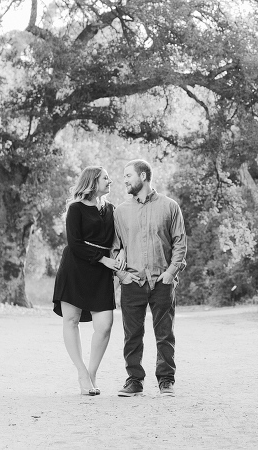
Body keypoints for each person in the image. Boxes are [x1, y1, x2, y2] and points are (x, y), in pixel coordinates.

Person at [113, 159, 186, 397]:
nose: (124, 180)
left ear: (143, 176)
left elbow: (179, 243)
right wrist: (122, 275)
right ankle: (134, 380)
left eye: (128, 175)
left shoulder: (170, 206)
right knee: (131, 335)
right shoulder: (121, 212)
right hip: (132, 281)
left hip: (162, 281)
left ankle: (166, 380)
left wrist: (170, 273)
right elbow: (115, 247)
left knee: (165, 334)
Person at [52, 166, 123, 396]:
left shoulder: (111, 209)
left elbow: (119, 239)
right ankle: (82, 373)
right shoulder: (76, 209)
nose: (110, 181)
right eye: (105, 178)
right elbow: (75, 243)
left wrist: (119, 253)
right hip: (76, 268)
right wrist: (103, 260)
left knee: (104, 326)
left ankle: (91, 373)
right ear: (93, 181)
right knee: (70, 321)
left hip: (102, 271)